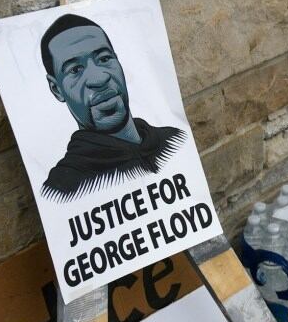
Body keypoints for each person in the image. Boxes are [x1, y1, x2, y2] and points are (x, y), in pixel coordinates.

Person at [39, 14, 186, 202]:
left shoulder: (175, 140)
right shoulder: (63, 189)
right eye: (75, 70)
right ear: (56, 89)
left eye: (104, 58)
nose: (99, 78)